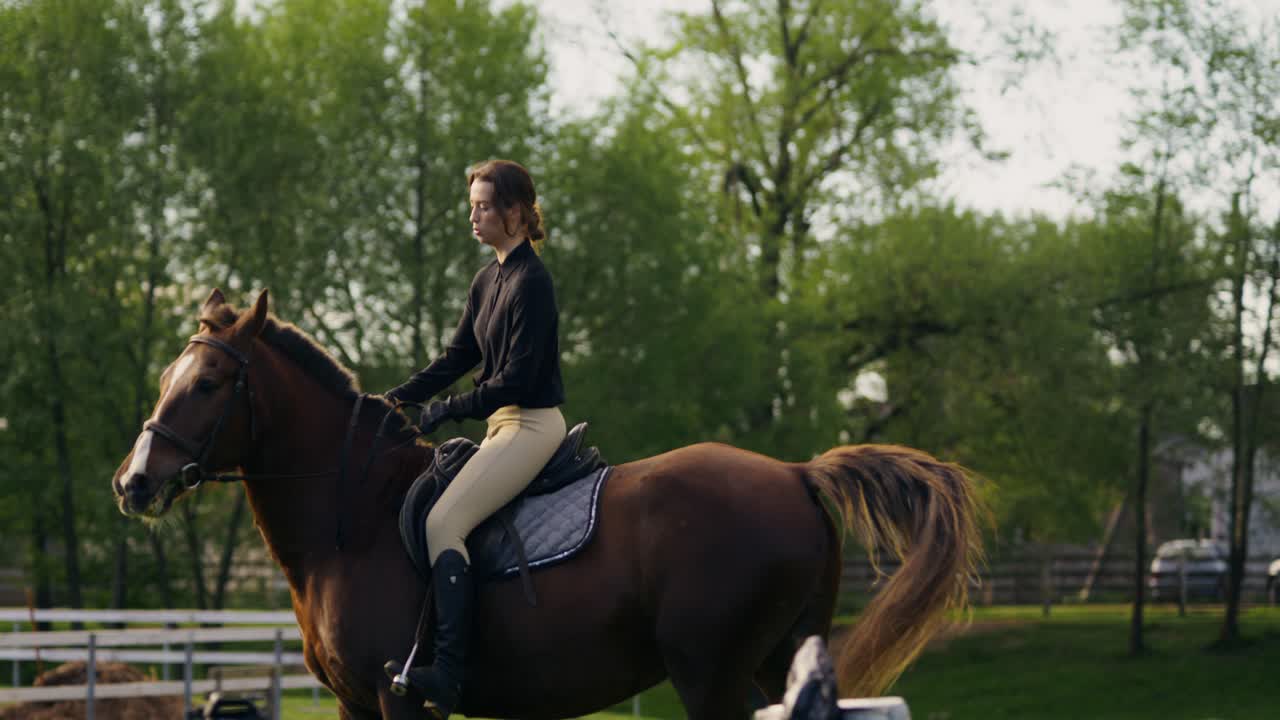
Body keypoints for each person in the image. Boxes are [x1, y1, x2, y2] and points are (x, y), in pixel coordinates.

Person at [383, 159, 566, 717]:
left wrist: (445, 411)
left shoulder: (533, 283)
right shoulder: (488, 280)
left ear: (515, 212)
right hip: (500, 426)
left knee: (444, 522)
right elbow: (457, 357)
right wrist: (394, 399)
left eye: (484, 206)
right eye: (472, 206)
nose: (473, 216)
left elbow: (515, 381)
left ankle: (449, 673)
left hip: (531, 425)